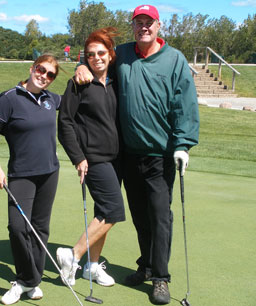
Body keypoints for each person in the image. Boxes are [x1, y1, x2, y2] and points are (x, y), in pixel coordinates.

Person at [75, 4, 199, 305]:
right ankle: (145, 266)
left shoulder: (175, 60)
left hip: (160, 155)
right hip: (128, 154)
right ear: (133, 26)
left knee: (160, 218)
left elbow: (185, 104)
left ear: (158, 26)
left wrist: (182, 144)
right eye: (138, 22)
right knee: (141, 218)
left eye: (149, 22)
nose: (143, 27)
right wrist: (82, 65)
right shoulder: (124, 54)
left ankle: (161, 278)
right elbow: (98, 59)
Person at [56, 27, 125, 288]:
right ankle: (72, 255)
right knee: (113, 211)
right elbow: (65, 123)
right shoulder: (78, 83)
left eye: (100, 53)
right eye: (90, 55)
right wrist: (78, 157)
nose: (96, 58)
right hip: (93, 159)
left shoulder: (116, 80)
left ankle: (92, 268)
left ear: (110, 54)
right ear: (85, 58)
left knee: (102, 213)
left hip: (117, 158)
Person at [0, 54, 61, 305]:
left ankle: (31, 281)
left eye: (50, 74)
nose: (44, 76)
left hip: (50, 172)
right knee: (18, 227)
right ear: (32, 68)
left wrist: (84, 70)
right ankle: (27, 279)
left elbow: (78, 101)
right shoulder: (9, 98)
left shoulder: (51, 99)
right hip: (21, 174)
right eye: (41, 70)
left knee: (40, 229)